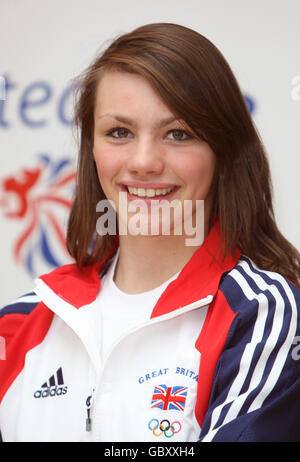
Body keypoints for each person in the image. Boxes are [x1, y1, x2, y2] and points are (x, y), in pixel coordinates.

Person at [1, 22, 300, 443]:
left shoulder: (262, 314)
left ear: (224, 152)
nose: (143, 161)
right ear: (92, 150)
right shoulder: (21, 320)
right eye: (119, 133)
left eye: (178, 134)